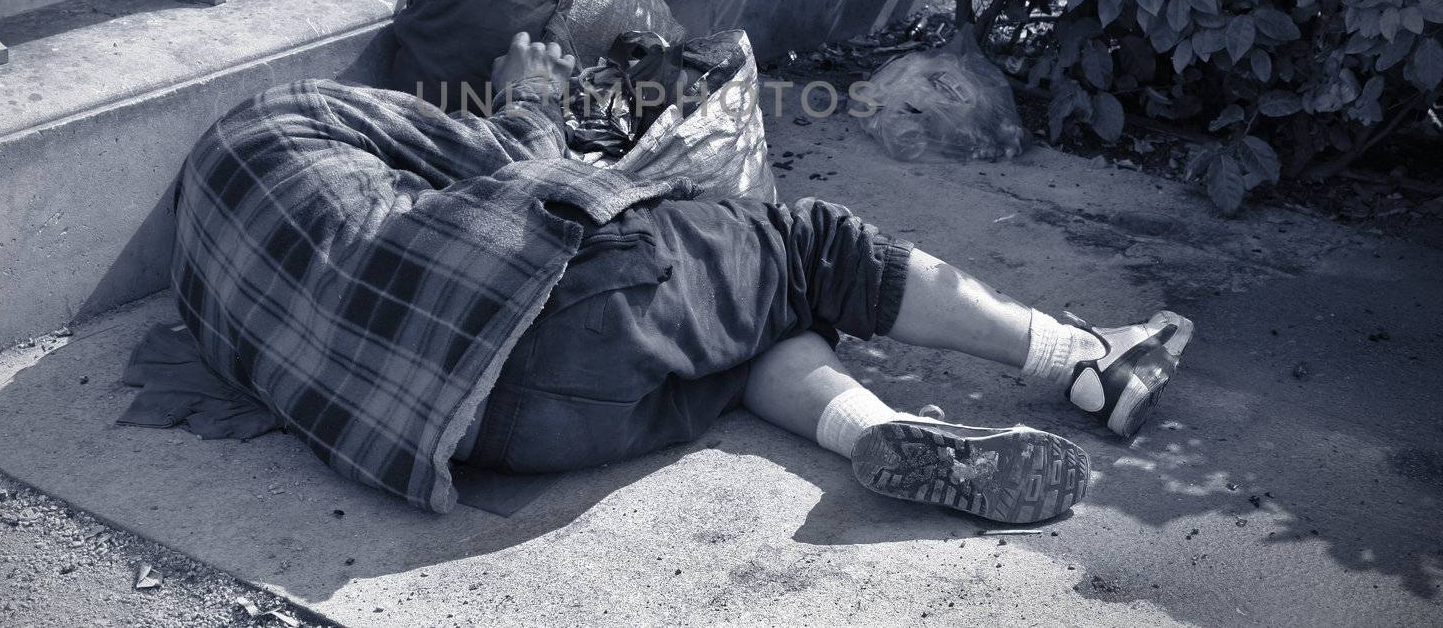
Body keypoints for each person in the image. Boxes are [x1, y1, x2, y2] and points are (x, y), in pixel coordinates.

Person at [170, 32, 1192, 523]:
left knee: (734, 324)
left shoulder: (205, 258)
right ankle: (1082, 356)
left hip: (495, 439)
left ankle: (870, 429)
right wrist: (530, 98)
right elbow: (500, 158)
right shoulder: (302, 108)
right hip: (558, 298)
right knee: (807, 251)